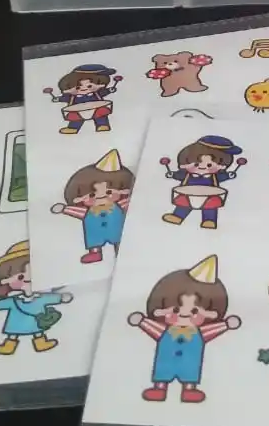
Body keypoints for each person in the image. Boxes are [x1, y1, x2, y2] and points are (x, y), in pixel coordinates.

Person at [128, 255, 240, 403]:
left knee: (189, 374)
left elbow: (213, 330)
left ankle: (189, 389)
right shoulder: (165, 330)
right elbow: (152, 327)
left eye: (195, 311)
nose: (184, 313)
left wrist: (225, 325)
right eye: (176, 309)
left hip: (190, 365)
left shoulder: (199, 332)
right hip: (165, 362)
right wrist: (142, 321)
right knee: (163, 373)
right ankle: (159, 388)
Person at [0, 240, 72, 354]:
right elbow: (4, 303)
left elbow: (50, 298)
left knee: (38, 331)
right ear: (5, 279)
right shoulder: (15, 300)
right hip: (16, 322)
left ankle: (41, 342)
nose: (29, 279)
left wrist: (61, 298)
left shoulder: (40, 297)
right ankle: (9, 345)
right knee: (13, 333)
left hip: (35, 321)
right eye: (20, 277)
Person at [51, 149, 134, 264]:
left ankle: (120, 248)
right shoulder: (88, 211)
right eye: (92, 195)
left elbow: (129, 203)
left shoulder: (119, 205)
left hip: (116, 231)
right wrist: (65, 209)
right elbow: (78, 211)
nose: (101, 197)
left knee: (119, 238)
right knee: (94, 240)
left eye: (109, 192)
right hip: (96, 233)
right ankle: (95, 252)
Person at [161, 135, 244, 229]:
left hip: (209, 196)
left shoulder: (215, 176)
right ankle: (178, 216)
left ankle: (209, 220)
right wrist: (172, 174)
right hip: (188, 193)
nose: (202, 167)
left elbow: (222, 176)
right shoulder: (186, 174)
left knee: (210, 207)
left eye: (210, 165)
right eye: (196, 164)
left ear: (222, 166)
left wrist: (229, 175)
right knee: (183, 204)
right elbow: (179, 175)